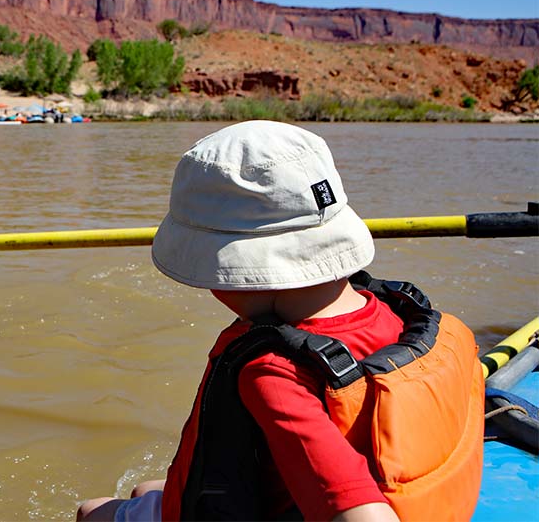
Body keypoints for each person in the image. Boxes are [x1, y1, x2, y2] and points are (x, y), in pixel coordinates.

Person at [77, 121, 484, 521]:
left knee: (91, 511)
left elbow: (363, 513)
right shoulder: (398, 314)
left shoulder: (274, 373)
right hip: (296, 493)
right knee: (147, 489)